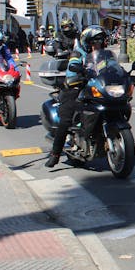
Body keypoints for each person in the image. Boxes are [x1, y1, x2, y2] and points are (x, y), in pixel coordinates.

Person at [44, 27, 91, 168]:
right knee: (65, 120)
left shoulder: (102, 55)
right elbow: (73, 66)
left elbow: (111, 67)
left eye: (100, 41)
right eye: (94, 42)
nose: (97, 44)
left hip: (93, 89)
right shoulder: (78, 53)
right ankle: (55, 153)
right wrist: (79, 75)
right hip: (75, 88)